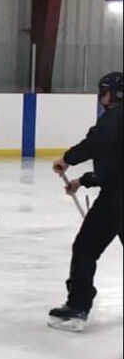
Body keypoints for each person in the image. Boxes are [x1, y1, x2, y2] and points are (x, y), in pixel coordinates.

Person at [49, 71, 123, 332]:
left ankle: (78, 307)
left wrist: (67, 159)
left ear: (111, 94)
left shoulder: (112, 120)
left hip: (116, 200)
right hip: (115, 191)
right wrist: (84, 180)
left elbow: (96, 146)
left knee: (85, 250)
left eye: (103, 91)